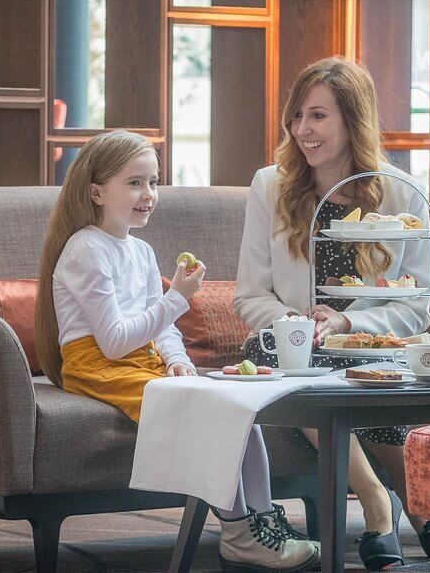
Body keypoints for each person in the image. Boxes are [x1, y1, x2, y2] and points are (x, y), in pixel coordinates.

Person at [33, 130, 319, 572]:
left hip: (139, 360)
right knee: (212, 417)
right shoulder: (86, 249)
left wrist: (178, 360)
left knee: (239, 411)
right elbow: (113, 340)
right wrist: (178, 298)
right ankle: (238, 531)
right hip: (97, 366)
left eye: (153, 182)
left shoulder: (142, 251)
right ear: (96, 192)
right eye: (134, 183)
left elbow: (159, 328)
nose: (148, 194)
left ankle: (265, 525)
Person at [235, 57, 430, 569]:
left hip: (373, 350)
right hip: (294, 347)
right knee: (283, 351)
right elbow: (250, 296)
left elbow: (416, 305)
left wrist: (347, 323)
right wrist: (299, 327)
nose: (303, 130)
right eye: (297, 116)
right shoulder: (270, 186)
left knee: (347, 363)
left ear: (354, 119)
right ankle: (382, 499)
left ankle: (413, 502)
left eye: (319, 116)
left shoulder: (401, 191)